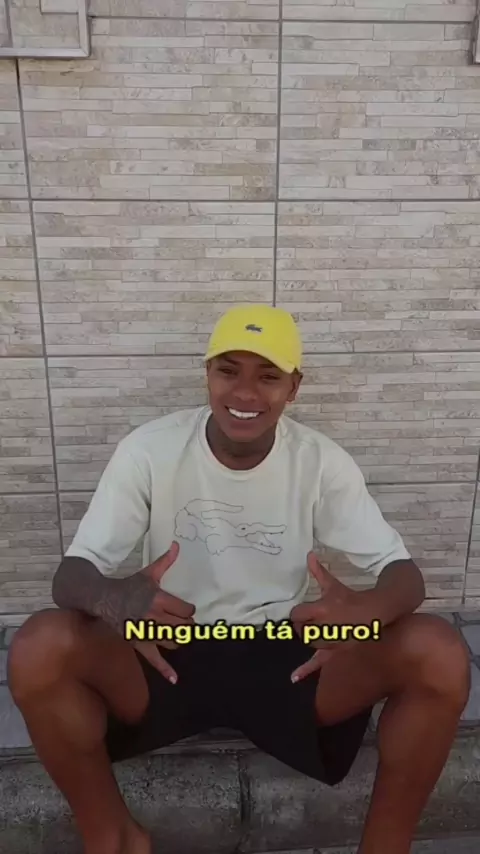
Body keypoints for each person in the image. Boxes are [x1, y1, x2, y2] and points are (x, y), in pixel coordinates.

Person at [8, 304, 470, 854]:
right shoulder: (150, 449)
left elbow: (404, 577)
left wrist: (366, 613)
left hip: (282, 648)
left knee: (439, 651)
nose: (245, 393)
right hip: (169, 640)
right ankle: (114, 838)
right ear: (207, 374)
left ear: (293, 388)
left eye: (268, 376)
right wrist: (113, 598)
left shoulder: (320, 461)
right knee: (38, 647)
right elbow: (71, 576)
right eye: (228, 371)